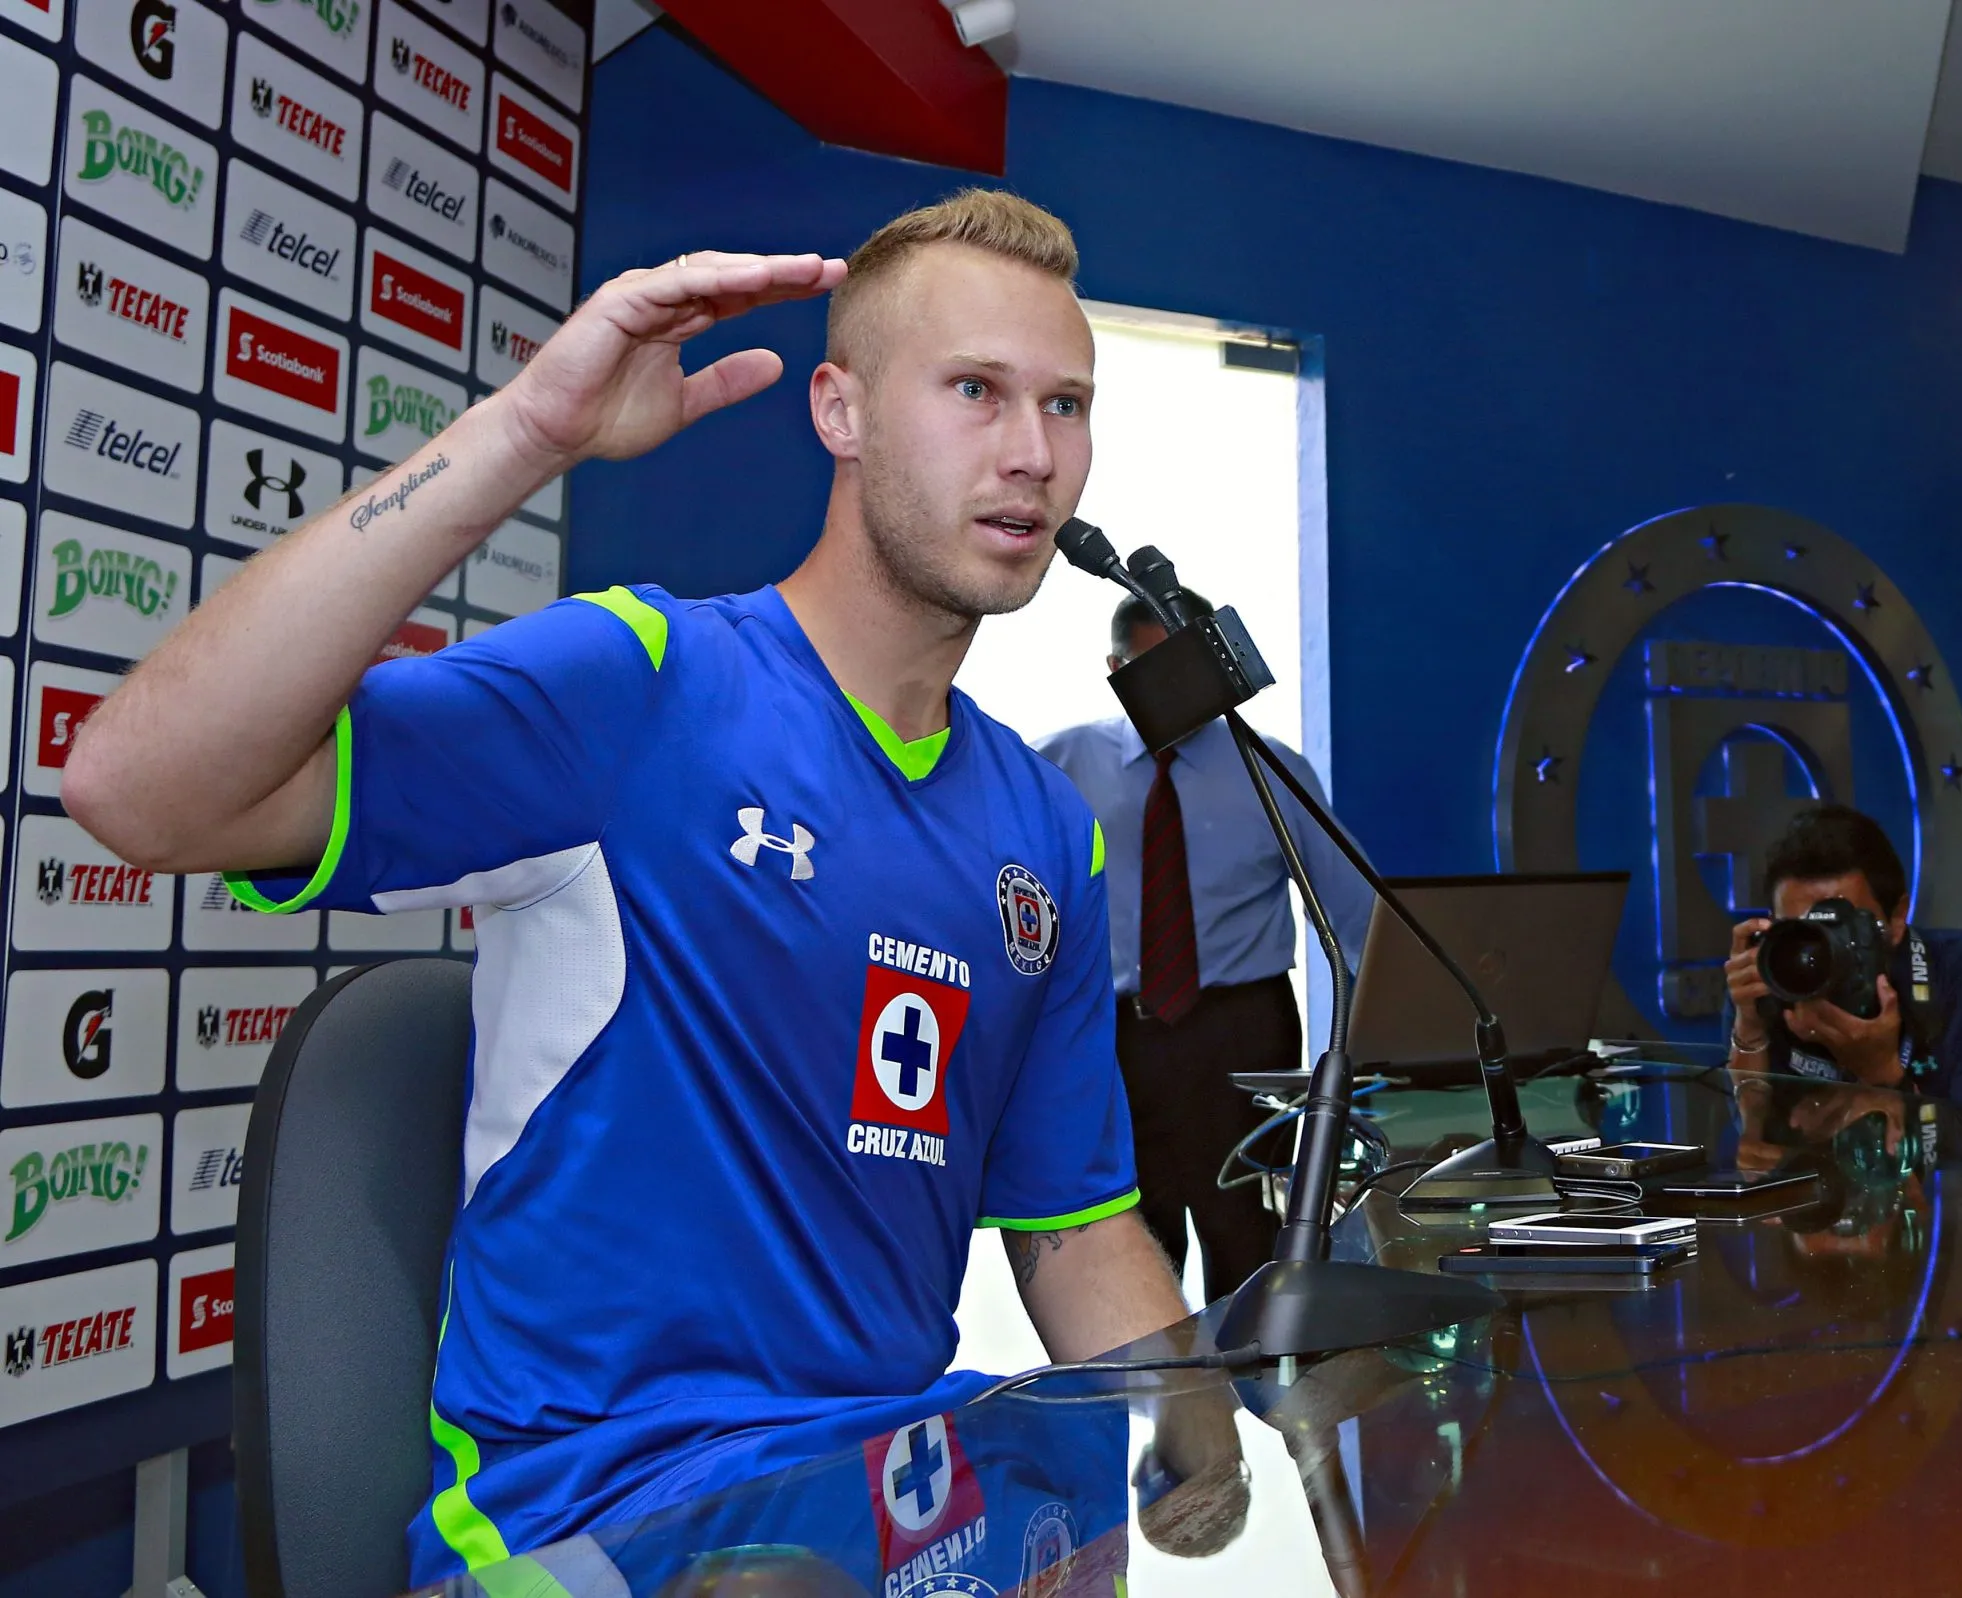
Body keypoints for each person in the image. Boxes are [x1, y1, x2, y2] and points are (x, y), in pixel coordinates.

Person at [64, 192, 1207, 1583]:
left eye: (1065, 404)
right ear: (840, 411)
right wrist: (525, 435)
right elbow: (138, 790)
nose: (1032, 451)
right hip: (596, 1512)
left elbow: (1074, 1224)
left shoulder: (1045, 829)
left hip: (877, 1490)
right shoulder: (644, 680)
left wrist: (1202, 1429)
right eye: (975, 389)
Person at [1038, 593, 1372, 1302]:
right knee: (1130, 1235)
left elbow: (1357, 918)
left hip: (1241, 1034)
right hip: (1114, 1039)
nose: (1176, 688)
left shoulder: (1268, 769)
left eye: (1189, 665)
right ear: (1115, 670)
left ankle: (1257, 1370)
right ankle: (1158, 1376)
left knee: (1247, 1237)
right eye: (1153, 668)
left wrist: (1391, 1051)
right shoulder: (1062, 764)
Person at [1720, 804, 1962, 1110]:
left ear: (1896, 919)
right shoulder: (1768, 974)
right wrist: (1750, 1029)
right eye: (1802, 930)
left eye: (1843, 927)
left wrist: (1881, 1071)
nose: (1820, 949)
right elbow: (1751, 1136)